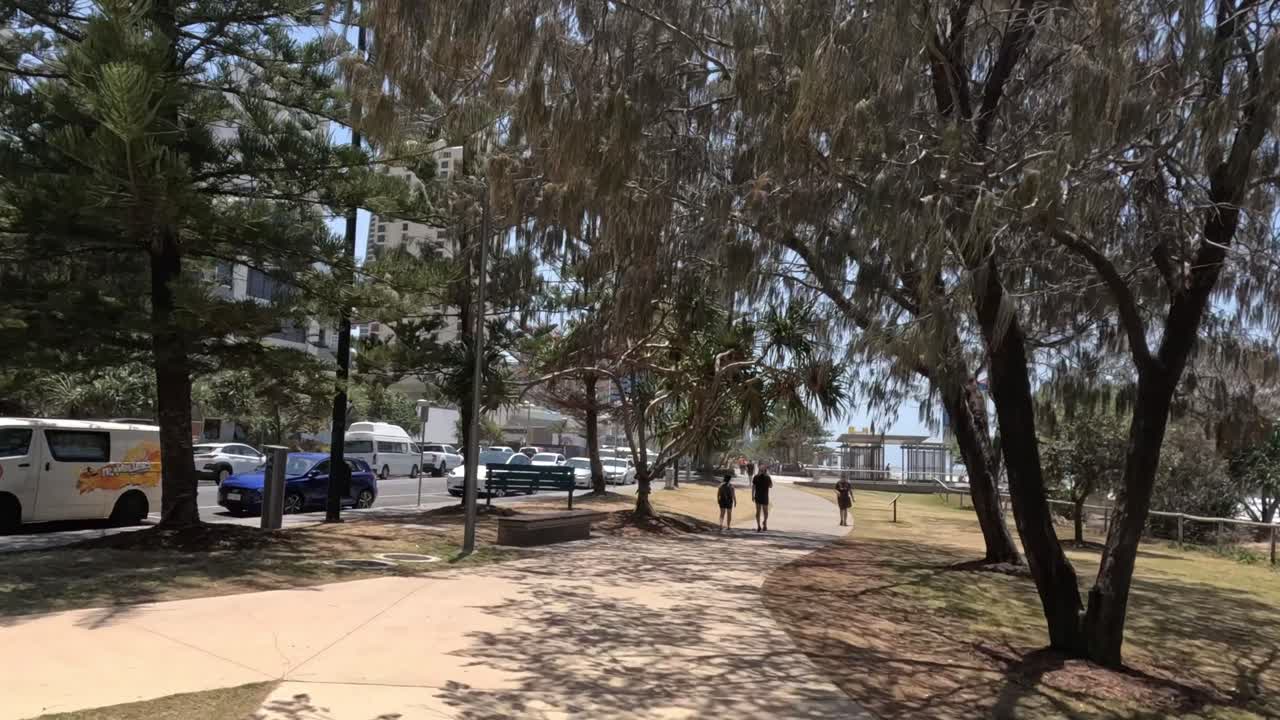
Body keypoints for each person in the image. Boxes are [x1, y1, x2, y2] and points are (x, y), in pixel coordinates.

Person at [751, 464, 772, 532]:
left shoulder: (756, 477)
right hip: (764, 496)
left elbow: (753, 487)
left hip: (758, 496)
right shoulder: (767, 477)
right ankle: (764, 523)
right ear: (765, 471)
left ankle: (759, 526)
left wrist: (752, 495)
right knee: (765, 511)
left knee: (758, 511)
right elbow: (771, 486)